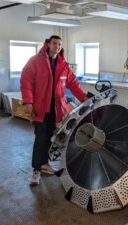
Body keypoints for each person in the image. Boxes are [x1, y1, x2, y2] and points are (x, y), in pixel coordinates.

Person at [20, 35, 87, 186]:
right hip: (40, 110)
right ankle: (36, 170)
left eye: (59, 44)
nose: (57, 46)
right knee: (40, 139)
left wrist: (84, 97)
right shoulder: (35, 61)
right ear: (48, 44)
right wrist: (28, 102)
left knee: (52, 139)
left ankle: (45, 164)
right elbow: (26, 82)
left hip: (57, 111)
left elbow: (74, 84)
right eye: (54, 43)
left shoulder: (63, 65)